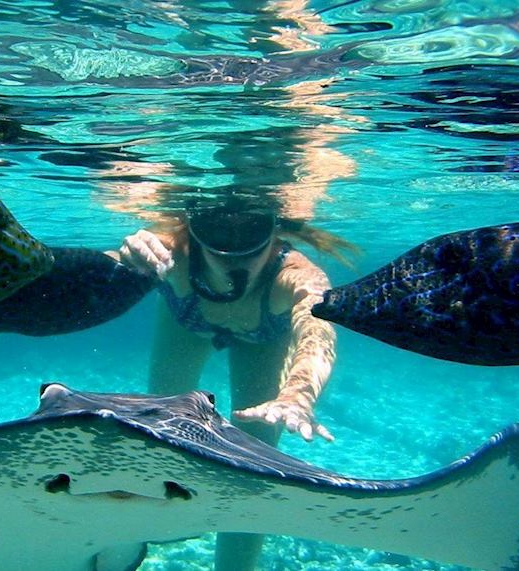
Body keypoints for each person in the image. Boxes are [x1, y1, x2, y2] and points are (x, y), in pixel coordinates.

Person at [116, 197, 352, 571]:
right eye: (217, 230)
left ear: (275, 230)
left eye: (249, 230)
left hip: (263, 337)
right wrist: (126, 256)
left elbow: (318, 327)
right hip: (186, 321)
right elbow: (90, 273)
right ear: (194, 228)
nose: (233, 253)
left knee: (255, 466)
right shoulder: (169, 254)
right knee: (157, 431)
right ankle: (130, 540)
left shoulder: (294, 275)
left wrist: (298, 394)